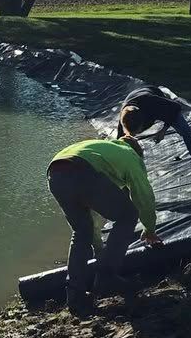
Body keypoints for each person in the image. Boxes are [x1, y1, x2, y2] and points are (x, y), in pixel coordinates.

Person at [47, 129, 160, 316]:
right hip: (81, 169)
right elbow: (143, 195)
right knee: (128, 215)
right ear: (138, 153)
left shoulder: (102, 150)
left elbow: (93, 215)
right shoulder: (130, 155)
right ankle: (107, 276)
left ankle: (75, 297)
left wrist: (100, 250)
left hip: (55, 174)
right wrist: (149, 228)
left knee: (81, 231)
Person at [117, 85, 191, 186]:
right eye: (132, 133)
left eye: (137, 132)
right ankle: (124, 175)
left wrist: (163, 130)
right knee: (126, 144)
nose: (135, 135)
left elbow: (176, 107)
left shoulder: (153, 103)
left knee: (187, 132)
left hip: (155, 97)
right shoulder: (124, 118)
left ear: (144, 121)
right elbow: (119, 145)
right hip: (135, 98)